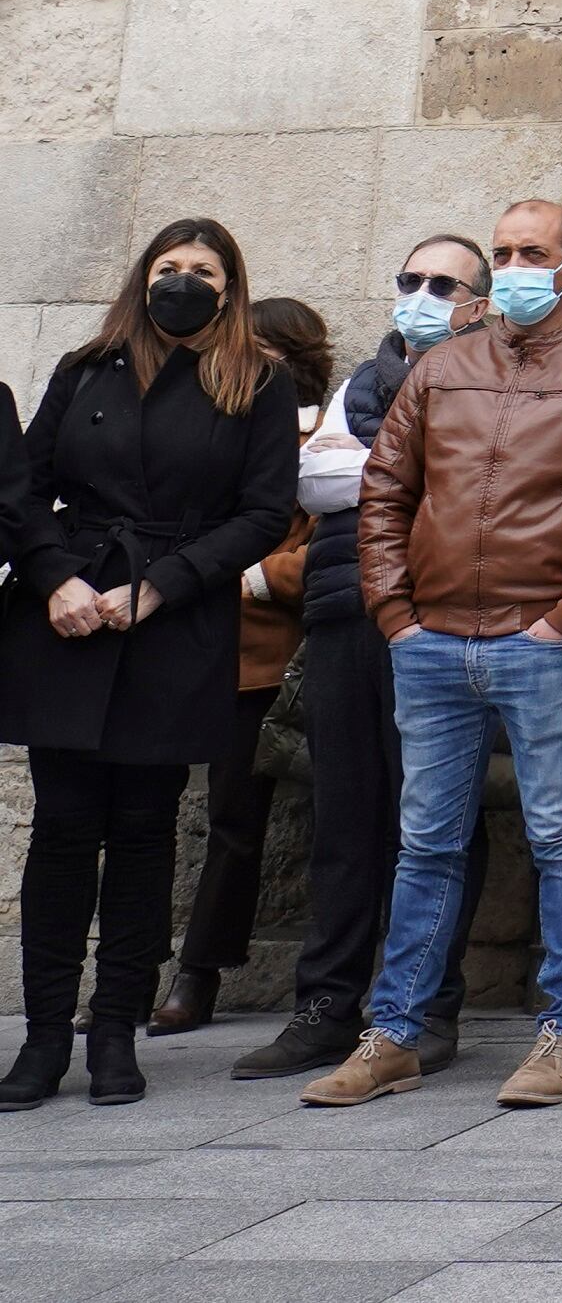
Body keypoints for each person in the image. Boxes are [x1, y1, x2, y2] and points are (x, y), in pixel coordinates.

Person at [304, 198, 562, 1114]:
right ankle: (391, 1035)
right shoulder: (444, 368)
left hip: (540, 643)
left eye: (532, 252)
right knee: (425, 841)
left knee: (560, 838)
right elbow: (385, 489)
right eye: (502, 252)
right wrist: (394, 613)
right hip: (430, 643)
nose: (514, 268)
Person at [0, 221, 299, 1109]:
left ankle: (117, 1032)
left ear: (230, 285)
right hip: (70, 619)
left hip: (175, 622)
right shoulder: (86, 366)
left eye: (202, 271)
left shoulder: (259, 382)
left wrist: (162, 587)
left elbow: (263, 512)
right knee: (60, 832)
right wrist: (55, 579)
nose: (182, 281)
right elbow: (22, 486)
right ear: (142, 279)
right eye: (167, 267)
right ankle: (44, 1036)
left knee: (142, 831)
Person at [228, 237, 491, 1082]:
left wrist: (370, 467)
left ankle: (425, 1007)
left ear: (477, 302)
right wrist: (407, 472)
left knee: (441, 816)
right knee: (343, 818)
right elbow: (309, 483)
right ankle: (324, 1006)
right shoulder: (359, 382)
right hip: (344, 615)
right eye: (410, 280)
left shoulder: (490, 377)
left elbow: (478, 485)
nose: (420, 293)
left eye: (442, 283)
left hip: (447, 618)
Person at [153, 297, 335, 1035]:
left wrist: (249, 577)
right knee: (149, 816)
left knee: (237, 819)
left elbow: (331, 541)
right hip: (179, 644)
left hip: (264, 657)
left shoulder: (324, 434)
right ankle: (133, 972)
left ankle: (197, 976)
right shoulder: (209, 424)